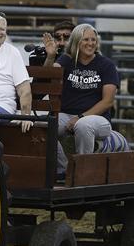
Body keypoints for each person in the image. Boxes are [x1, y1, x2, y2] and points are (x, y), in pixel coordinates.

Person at [51, 23, 121, 175]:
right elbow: (51, 73)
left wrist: (80, 117)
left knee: (83, 125)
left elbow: (108, 101)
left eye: (93, 40)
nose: (90, 43)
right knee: (46, 125)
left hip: (98, 119)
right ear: (76, 41)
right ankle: (63, 169)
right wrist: (51, 55)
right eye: (86, 39)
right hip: (67, 114)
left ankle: (83, 173)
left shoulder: (106, 65)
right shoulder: (67, 60)